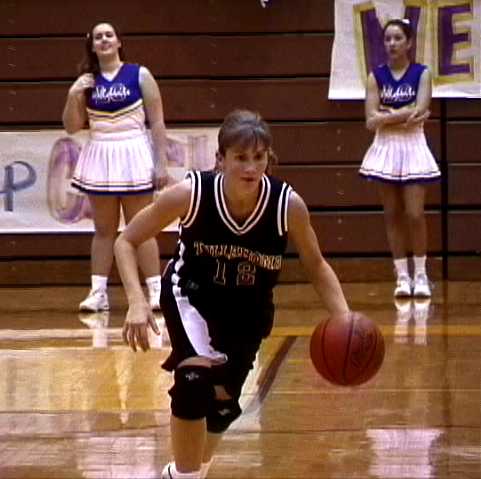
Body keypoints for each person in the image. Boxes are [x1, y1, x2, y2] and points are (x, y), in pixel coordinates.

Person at [114, 109, 350, 479]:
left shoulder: (287, 206)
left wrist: (344, 318)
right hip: (191, 297)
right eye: (240, 157)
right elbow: (126, 240)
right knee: (194, 383)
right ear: (220, 159)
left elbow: (316, 265)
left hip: (248, 313)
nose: (250, 167)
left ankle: (183, 473)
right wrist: (136, 302)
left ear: (269, 159)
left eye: (258, 157)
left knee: (222, 407)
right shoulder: (191, 194)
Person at [62, 21, 170, 312]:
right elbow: (71, 127)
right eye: (98, 37)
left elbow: (157, 122)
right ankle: (98, 293)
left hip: (134, 151)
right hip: (100, 153)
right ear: (92, 45)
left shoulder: (140, 74)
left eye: (109, 35)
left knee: (142, 227)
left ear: (119, 41)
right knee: (103, 230)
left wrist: (161, 163)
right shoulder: (87, 82)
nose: (104, 40)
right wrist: (73, 94)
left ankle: (156, 290)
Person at [359, 18, 440, 298]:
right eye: (387, 39)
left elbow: (422, 109)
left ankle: (421, 274)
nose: (391, 44)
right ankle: (402, 276)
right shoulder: (376, 76)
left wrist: (386, 115)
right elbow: (370, 121)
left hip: (414, 145)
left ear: (409, 43)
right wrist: (403, 115)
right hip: (386, 147)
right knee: (392, 214)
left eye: (397, 38)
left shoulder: (422, 73)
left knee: (415, 214)